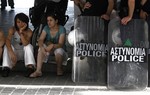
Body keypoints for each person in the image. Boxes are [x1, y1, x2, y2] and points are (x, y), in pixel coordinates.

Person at [29, 13, 68, 78]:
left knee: (59, 51)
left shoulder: (61, 29)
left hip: (59, 49)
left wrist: (52, 45)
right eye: (47, 21)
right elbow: (41, 39)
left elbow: (61, 44)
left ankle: (59, 69)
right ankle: (38, 71)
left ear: (56, 21)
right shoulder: (46, 28)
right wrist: (41, 47)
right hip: (48, 50)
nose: (49, 22)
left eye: (51, 20)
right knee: (41, 48)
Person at [1, 13, 35, 77]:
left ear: (26, 23)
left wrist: (21, 32)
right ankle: (6, 68)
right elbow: (7, 40)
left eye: (22, 22)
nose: (20, 24)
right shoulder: (12, 30)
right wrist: (11, 52)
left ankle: (30, 67)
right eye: (18, 22)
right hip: (15, 52)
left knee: (28, 46)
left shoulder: (29, 31)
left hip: (25, 53)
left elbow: (25, 43)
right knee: (6, 46)